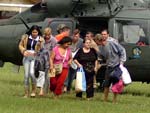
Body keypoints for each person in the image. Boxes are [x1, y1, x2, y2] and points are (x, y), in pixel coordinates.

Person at [98, 29, 126, 103]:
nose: (103, 36)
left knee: (115, 83)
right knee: (106, 83)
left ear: (108, 35)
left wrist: (122, 62)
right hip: (108, 66)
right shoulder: (101, 45)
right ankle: (105, 99)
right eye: (102, 34)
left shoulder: (112, 42)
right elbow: (101, 56)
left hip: (116, 65)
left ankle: (114, 100)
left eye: (105, 34)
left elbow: (122, 50)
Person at [19, 25, 44, 98]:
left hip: (35, 57)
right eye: (33, 32)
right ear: (31, 31)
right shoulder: (25, 37)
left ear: (38, 32)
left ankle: (33, 91)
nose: (34, 34)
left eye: (36, 32)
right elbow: (20, 45)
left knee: (32, 73)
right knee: (26, 75)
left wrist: (39, 45)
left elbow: (41, 49)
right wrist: (24, 51)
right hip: (26, 56)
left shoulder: (41, 39)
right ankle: (26, 93)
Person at [37, 27, 57, 96]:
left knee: (48, 76)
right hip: (41, 59)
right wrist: (39, 43)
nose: (47, 36)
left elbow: (55, 51)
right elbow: (37, 49)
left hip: (50, 60)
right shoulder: (41, 39)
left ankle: (46, 90)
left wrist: (52, 61)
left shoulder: (54, 40)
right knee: (41, 73)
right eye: (46, 35)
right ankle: (41, 90)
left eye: (48, 35)